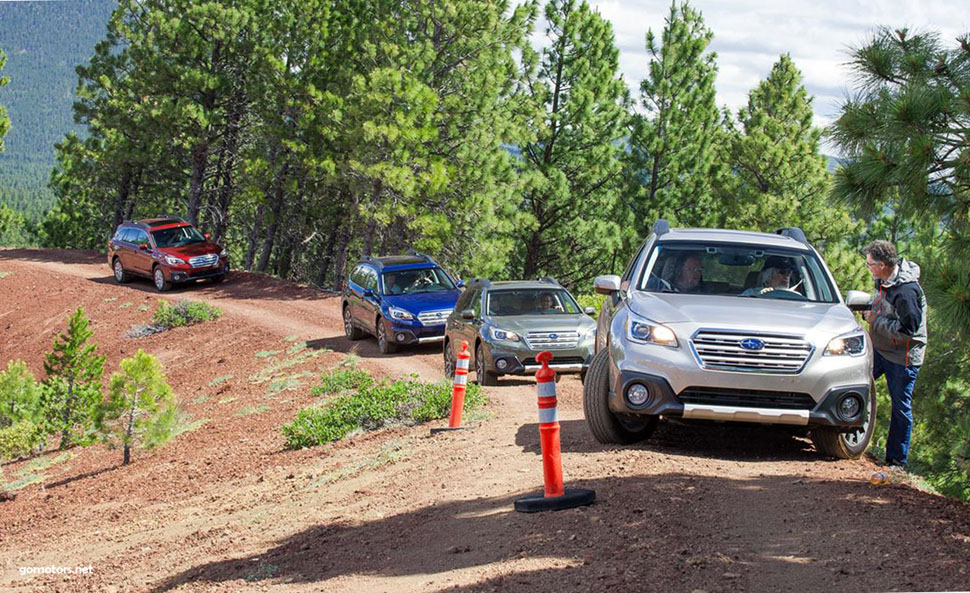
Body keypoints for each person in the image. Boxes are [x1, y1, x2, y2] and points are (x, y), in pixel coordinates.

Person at [863, 240, 927, 468]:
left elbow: (908, 331)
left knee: (900, 407)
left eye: (870, 263)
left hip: (903, 358)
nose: (867, 267)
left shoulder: (906, 292)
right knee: (856, 384)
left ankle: (896, 461)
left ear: (882, 264)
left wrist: (876, 321)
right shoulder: (883, 279)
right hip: (881, 349)